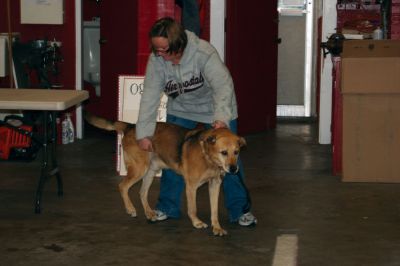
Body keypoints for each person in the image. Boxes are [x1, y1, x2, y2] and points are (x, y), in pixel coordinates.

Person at [136, 17, 257, 226]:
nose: (159, 54)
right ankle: (167, 207)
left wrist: (221, 119)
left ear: (178, 44)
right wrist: (143, 133)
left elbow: (223, 87)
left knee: (228, 160)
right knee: (173, 158)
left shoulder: (203, 53)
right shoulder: (157, 60)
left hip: (215, 109)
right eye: (156, 49)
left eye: (164, 49)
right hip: (182, 109)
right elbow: (149, 95)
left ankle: (239, 211)